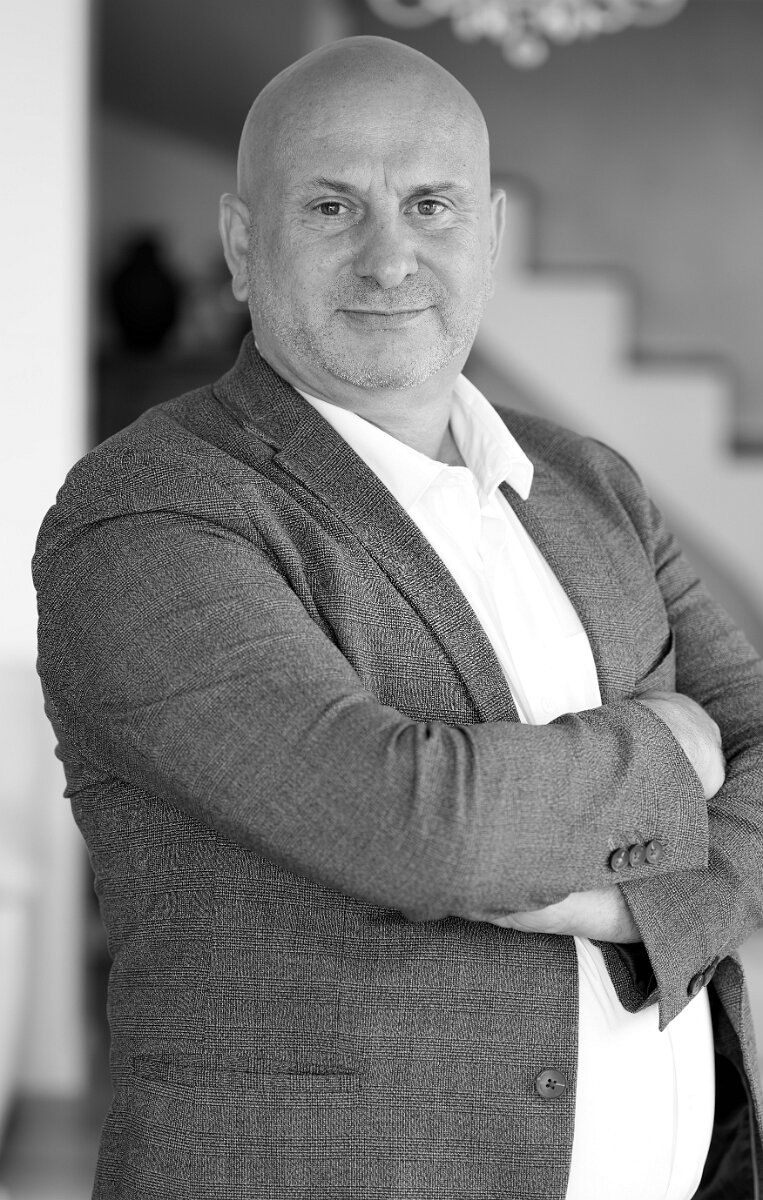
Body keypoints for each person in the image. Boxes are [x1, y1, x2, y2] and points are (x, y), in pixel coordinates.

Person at [33, 35, 763, 1200]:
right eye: (331, 207)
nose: (389, 259)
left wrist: (630, 903)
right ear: (241, 244)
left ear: (491, 235)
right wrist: (670, 749)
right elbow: (418, 826)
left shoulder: (590, 483)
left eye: (431, 205)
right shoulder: (150, 507)